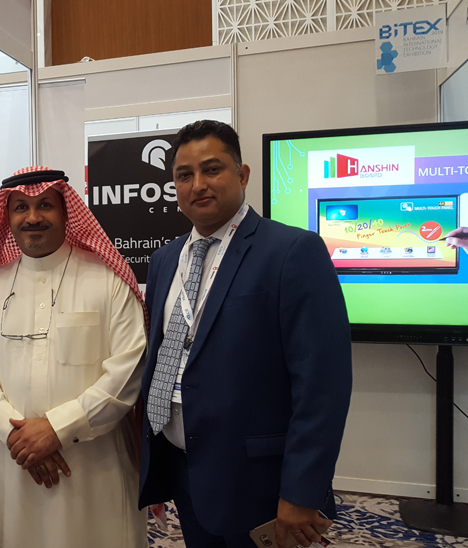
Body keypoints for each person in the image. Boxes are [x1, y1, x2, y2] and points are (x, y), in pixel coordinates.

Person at [139, 120, 353, 548]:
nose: (198, 184)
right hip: (182, 466)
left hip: (258, 480)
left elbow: (322, 386)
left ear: (242, 175)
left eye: (212, 169)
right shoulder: (164, 260)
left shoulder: (292, 252)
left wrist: (302, 491)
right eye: (184, 175)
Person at [0, 166, 149, 548]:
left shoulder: (107, 279)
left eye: (45, 205)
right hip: (17, 464)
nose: (32, 217)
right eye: (20, 208)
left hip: (94, 469)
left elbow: (129, 370)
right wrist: (17, 435)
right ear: (7, 218)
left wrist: (58, 429)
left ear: (65, 211)